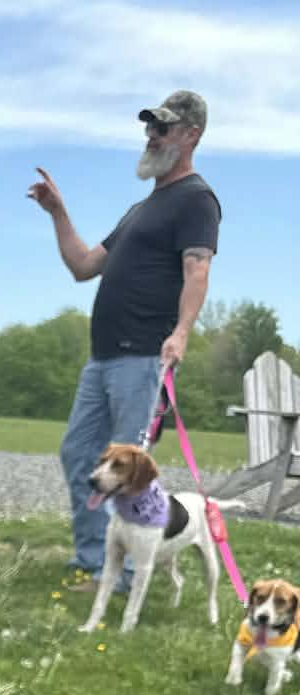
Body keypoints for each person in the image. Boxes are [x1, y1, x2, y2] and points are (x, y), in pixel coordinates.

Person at [29, 91, 219, 584]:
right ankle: (96, 561)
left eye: (163, 128)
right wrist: (58, 212)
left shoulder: (197, 199)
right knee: (79, 455)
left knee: (131, 474)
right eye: (150, 127)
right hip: (103, 358)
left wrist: (180, 334)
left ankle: (129, 572)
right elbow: (84, 266)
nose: (152, 136)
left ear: (190, 135)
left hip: (143, 358)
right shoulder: (141, 209)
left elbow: (197, 271)